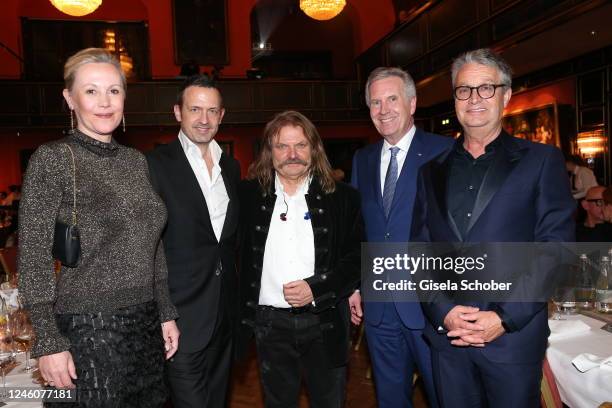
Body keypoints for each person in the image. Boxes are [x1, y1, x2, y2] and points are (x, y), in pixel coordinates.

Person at [411, 48, 574, 408]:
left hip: (511, 341)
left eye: (486, 88)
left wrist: (503, 317)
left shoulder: (542, 162)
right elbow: (418, 252)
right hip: (448, 339)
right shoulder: (430, 172)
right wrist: (444, 311)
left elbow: (555, 249)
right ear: (454, 99)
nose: (474, 99)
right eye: (464, 90)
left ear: (506, 95)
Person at [18, 48, 179, 407]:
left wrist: (165, 312)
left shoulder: (136, 161)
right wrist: (49, 340)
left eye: (114, 90)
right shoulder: (54, 159)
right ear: (69, 98)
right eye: (91, 91)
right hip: (87, 328)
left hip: (145, 326)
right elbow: (32, 256)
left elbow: (154, 244)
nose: (105, 102)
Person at [238, 110, 363, 408]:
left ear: (315, 148)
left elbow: (357, 257)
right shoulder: (247, 197)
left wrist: (317, 288)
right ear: (270, 151)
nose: (292, 154)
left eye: (300, 145)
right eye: (282, 146)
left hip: (326, 321)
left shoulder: (344, 198)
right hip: (269, 325)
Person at [350, 67, 452, 408]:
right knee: (391, 399)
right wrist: (354, 285)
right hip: (379, 307)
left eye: (392, 99)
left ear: (412, 103)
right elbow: (358, 229)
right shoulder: (362, 160)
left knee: (445, 396)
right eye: (375, 103)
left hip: (432, 307)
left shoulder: (446, 152)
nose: (383, 110)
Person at [146, 75, 240, 408]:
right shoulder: (155, 165)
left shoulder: (231, 166)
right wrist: (161, 313)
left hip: (224, 315)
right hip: (179, 319)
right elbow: (148, 247)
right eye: (195, 109)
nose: (204, 119)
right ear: (177, 112)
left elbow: (227, 243)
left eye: (212, 111)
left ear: (222, 115)